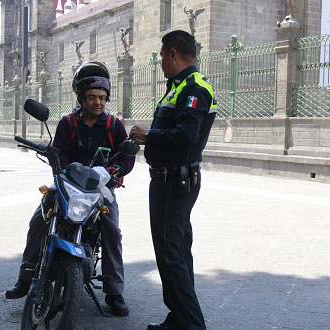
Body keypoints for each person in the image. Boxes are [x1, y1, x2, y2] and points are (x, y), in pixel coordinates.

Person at [5, 61, 134, 317]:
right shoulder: (67, 124)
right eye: (92, 97)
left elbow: (126, 157)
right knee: (39, 221)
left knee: (112, 232)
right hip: (68, 187)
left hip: (100, 192)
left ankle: (114, 291)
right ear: (81, 97)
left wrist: (115, 171)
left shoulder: (114, 125)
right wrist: (60, 167)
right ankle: (27, 276)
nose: (98, 102)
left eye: (102, 98)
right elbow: (59, 154)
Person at [128, 30, 217, 330]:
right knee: (177, 252)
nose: (162, 61)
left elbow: (185, 137)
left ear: (174, 54)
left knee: (170, 255)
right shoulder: (178, 86)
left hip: (174, 182)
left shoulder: (194, 89)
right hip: (170, 179)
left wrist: (149, 135)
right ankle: (178, 318)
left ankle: (191, 324)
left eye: (163, 55)